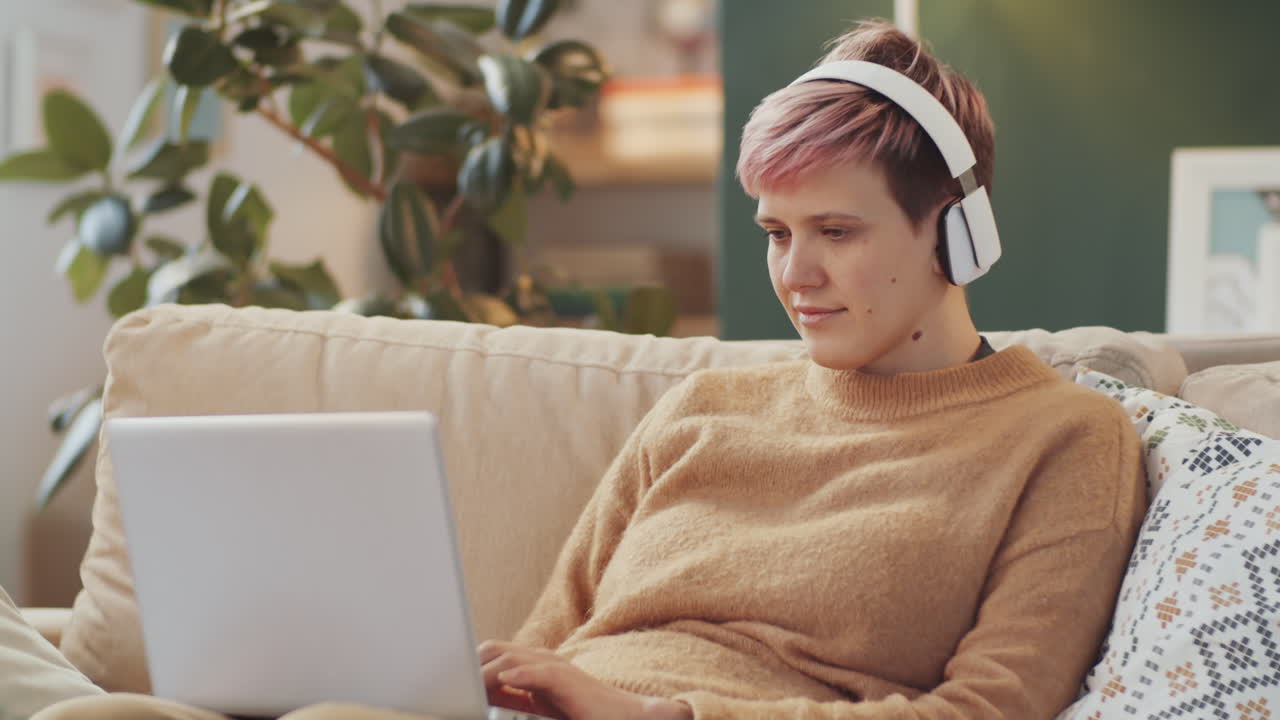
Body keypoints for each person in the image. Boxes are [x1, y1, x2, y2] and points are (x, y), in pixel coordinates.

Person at [33, 18, 1145, 720]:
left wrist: (652, 715)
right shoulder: (707, 402)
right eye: (770, 232)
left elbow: (984, 714)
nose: (792, 274)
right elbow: (553, 636)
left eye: (835, 233)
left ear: (956, 234)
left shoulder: (1060, 441)